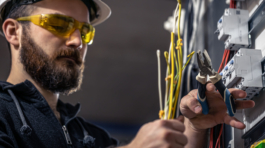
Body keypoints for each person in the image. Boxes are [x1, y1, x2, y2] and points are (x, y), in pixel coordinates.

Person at [0, 0, 255, 147]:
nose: (77, 41)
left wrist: (195, 126)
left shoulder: (90, 136)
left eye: (85, 31)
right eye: (58, 24)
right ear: (13, 32)